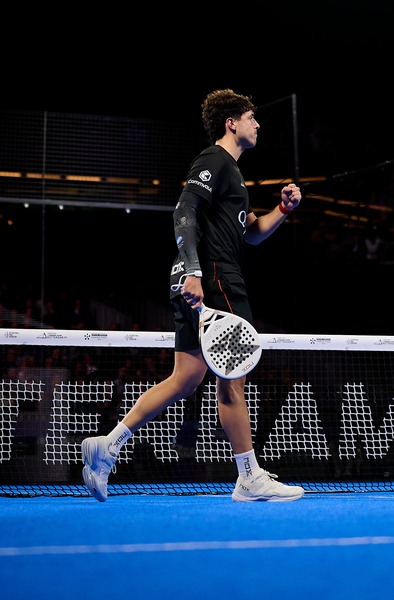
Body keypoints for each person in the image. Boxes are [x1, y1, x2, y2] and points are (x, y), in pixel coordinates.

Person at [81, 89, 304, 502]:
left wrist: (284, 210)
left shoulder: (233, 174)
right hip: (215, 277)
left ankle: (107, 446)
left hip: (201, 276)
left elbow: (252, 234)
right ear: (231, 123)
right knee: (232, 379)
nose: (258, 124)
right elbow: (183, 211)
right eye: (251, 117)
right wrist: (196, 271)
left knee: (185, 379)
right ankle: (249, 477)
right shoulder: (214, 159)